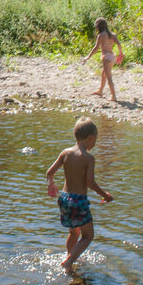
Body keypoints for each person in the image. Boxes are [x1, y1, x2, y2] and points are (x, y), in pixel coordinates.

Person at [46, 116, 113, 272]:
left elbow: (49, 172)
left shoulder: (65, 153)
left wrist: (51, 184)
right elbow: (90, 182)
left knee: (73, 231)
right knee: (88, 236)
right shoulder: (88, 158)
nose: (94, 144)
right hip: (78, 201)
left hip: (64, 198)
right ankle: (68, 262)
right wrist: (105, 195)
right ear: (90, 138)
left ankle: (69, 255)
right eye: (95, 140)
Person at [81, 18, 124, 101]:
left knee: (109, 77)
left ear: (99, 26)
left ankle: (113, 96)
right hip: (112, 56)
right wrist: (120, 54)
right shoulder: (112, 34)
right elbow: (119, 44)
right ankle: (100, 91)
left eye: (96, 26)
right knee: (103, 74)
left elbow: (96, 48)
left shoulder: (101, 35)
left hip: (106, 57)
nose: (96, 28)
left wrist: (88, 57)